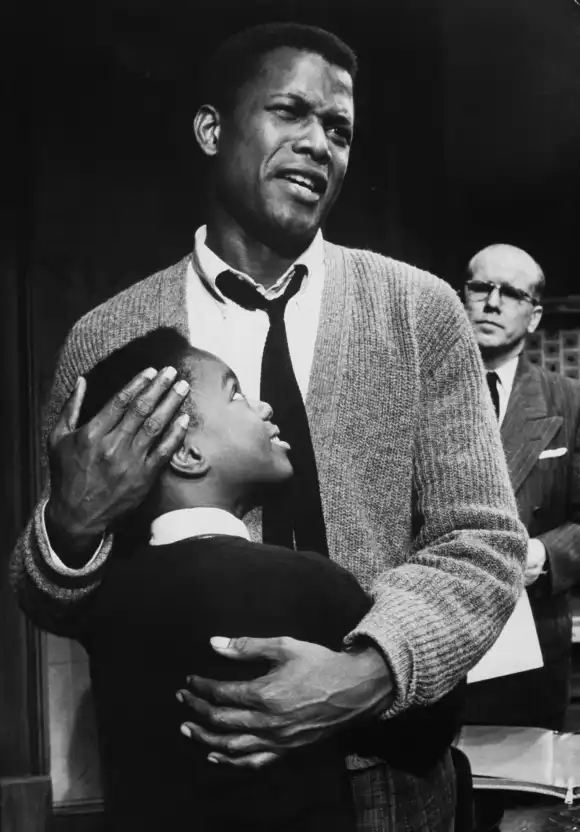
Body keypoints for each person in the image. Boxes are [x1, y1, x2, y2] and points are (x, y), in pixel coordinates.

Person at [10, 23, 526, 832]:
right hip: (197, 777)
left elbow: (483, 545)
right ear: (213, 129)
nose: (319, 144)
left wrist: (367, 672)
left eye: (340, 130)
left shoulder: (421, 310)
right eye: (291, 112)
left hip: (392, 775)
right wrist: (71, 529)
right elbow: (55, 597)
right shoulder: (110, 337)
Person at [75, 326, 465, 831]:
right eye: (234, 393)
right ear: (187, 455)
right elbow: (427, 728)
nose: (263, 407)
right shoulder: (307, 584)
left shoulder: (108, 596)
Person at [462, 242, 580, 831]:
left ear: (534, 315)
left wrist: (542, 553)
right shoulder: (423, 390)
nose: (491, 302)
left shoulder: (568, 402)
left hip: (529, 651)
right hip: (439, 644)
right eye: (479, 287)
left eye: (510, 293)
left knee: (520, 815)